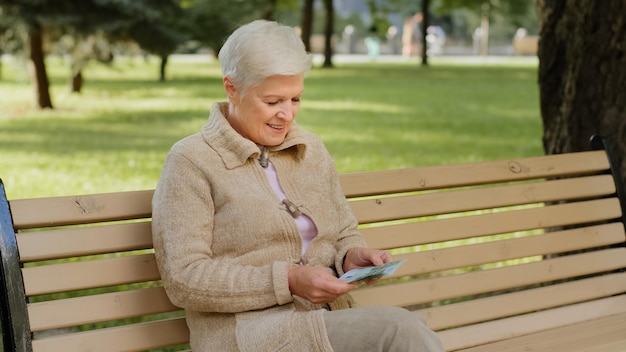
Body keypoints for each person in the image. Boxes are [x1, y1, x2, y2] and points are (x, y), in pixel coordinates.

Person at [151, 20, 444, 352]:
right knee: (397, 330)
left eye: (295, 99)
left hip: (323, 321)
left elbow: (344, 229)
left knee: (403, 330)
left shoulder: (310, 150)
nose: (287, 114)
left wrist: (350, 257)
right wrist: (287, 280)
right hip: (247, 335)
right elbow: (185, 279)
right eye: (273, 101)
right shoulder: (191, 161)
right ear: (231, 88)